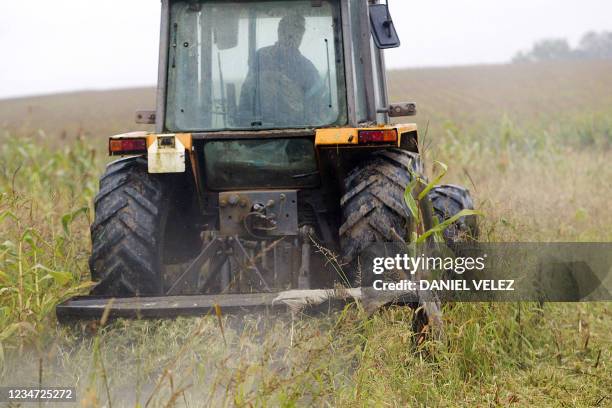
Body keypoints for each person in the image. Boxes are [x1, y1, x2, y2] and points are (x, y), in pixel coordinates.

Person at [238, 14, 322, 127]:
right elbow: (247, 96)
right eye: (286, 33)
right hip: (259, 129)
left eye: (296, 35)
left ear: (301, 37)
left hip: (296, 132)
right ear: (279, 33)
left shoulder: (308, 69)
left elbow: (318, 109)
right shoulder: (261, 58)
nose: (290, 39)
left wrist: (298, 104)